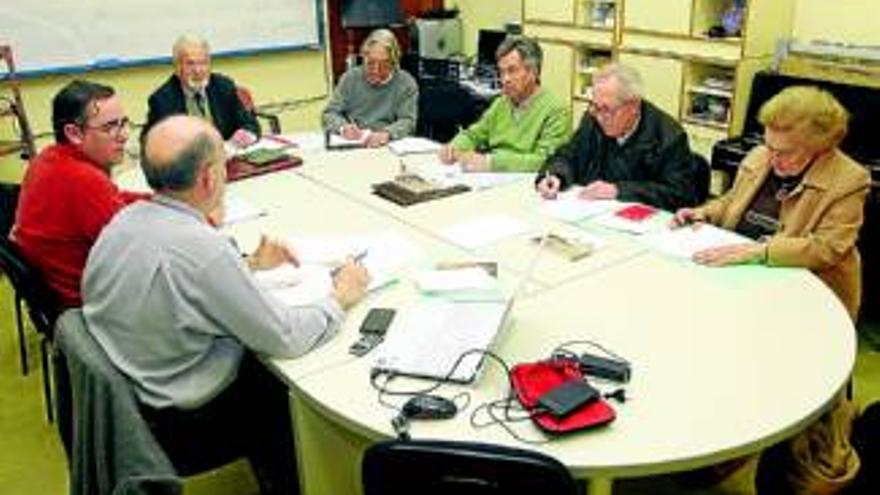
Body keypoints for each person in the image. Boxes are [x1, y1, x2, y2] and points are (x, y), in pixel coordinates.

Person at [82, 115, 369, 495]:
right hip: (182, 420)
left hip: (133, 390)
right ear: (208, 178)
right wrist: (340, 297)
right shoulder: (204, 250)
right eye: (224, 163)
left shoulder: (125, 219)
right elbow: (285, 337)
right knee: (293, 378)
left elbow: (178, 279)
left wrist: (247, 265)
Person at [672, 86, 870, 320]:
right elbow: (731, 200)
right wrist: (704, 213)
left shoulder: (849, 180)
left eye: (785, 152)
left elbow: (828, 249)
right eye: (769, 146)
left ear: (819, 147)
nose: (773, 158)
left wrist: (762, 251)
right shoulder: (760, 155)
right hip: (738, 276)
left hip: (803, 293)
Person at [10, 80, 147, 308]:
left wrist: (161, 201)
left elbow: (114, 198)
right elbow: (139, 252)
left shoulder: (49, 158)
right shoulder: (83, 180)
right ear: (74, 133)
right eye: (110, 126)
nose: (123, 135)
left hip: (57, 291)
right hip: (94, 303)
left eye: (124, 123)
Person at [536, 63, 697, 210]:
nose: (599, 116)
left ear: (633, 105)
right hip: (589, 215)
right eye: (595, 106)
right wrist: (556, 175)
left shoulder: (669, 137)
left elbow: (678, 195)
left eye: (607, 109)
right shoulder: (593, 119)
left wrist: (618, 190)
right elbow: (568, 154)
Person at [438, 35, 570, 172]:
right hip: (493, 179)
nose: (505, 79)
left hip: (525, 183)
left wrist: (491, 162)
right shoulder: (501, 103)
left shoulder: (556, 109)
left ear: (533, 72)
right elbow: (474, 135)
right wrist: (454, 147)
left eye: (512, 71)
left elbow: (545, 161)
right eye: (501, 72)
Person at [144, 34, 259, 147]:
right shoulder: (162, 100)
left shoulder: (224, 87)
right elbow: (150, 143)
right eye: (190, 64)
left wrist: (246, 134)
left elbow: (250, 124)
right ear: (177, 68)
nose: (198, 70)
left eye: (203, 63)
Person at [321, 29, 418, 147]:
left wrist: (387, 133)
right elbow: (329, 114)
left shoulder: (406, 83)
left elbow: (408, 121)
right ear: (363, 58)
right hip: (354, 144)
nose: (376, 70)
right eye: (370, 63)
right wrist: (343, 128)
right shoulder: (350, 78)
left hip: (388, 145)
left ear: (394, 62)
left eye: (384, 65)